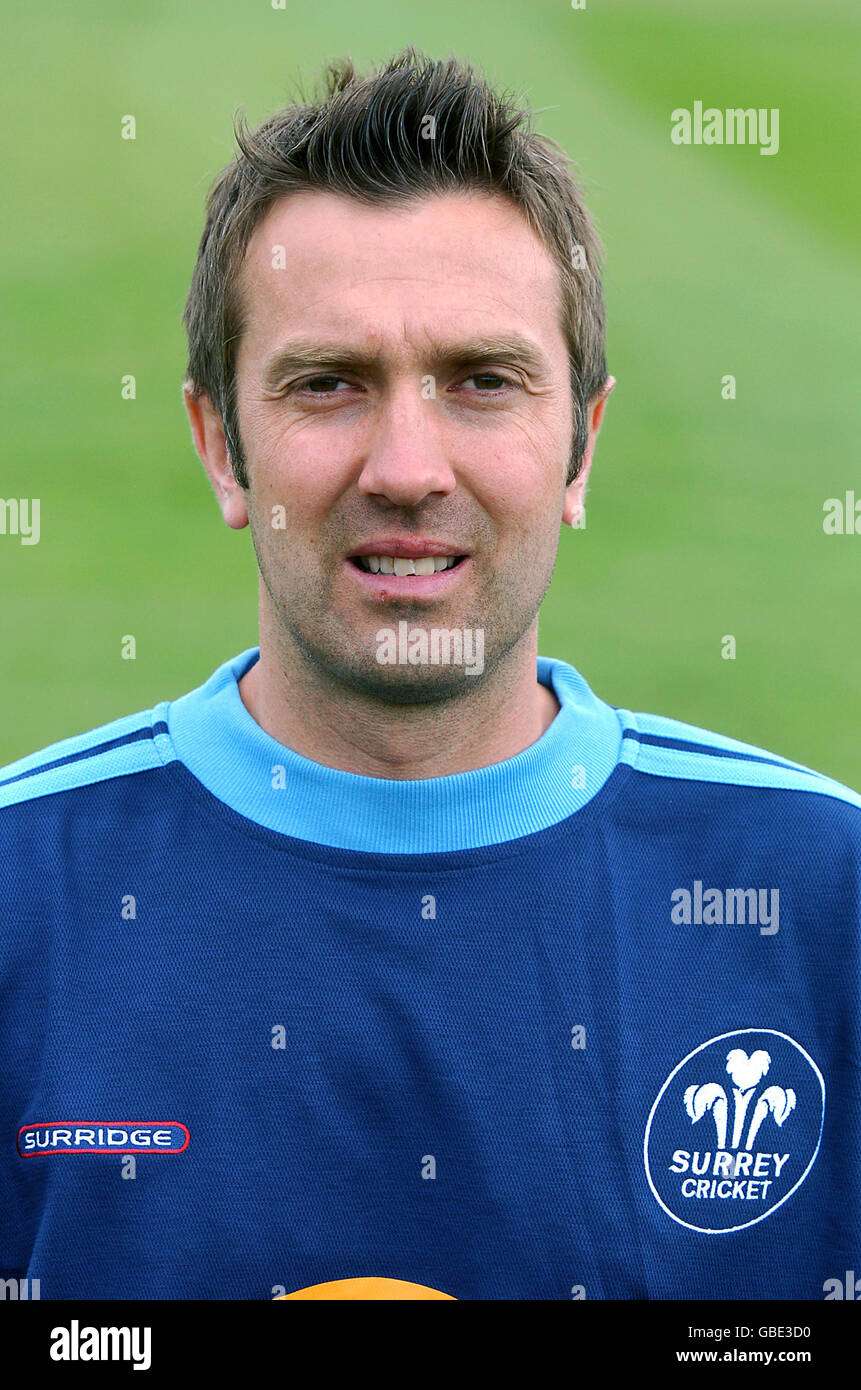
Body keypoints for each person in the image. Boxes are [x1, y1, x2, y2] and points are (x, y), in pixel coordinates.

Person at [1, 49, 857, 1301]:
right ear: (219, 446)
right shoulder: (24, 893)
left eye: (482, 382)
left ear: (582, 446)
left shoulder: (821, 898)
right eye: (329, 383)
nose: (408, 466)